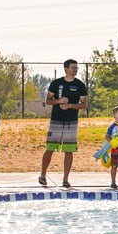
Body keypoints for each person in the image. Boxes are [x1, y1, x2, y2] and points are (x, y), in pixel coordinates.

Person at [39, 59, 88, 188]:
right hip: (56, 120)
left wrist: (70, 105)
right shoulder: (56, 83)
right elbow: (48, 101)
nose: (75, 70)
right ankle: (43, 175)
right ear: (66, 69)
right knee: (50, 148)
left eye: (76, 68)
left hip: (71, 122)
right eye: (73, 68)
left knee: (69, 150)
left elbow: (84, 104)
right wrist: (59, 101)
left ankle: (65, 179)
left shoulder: (80, 85)